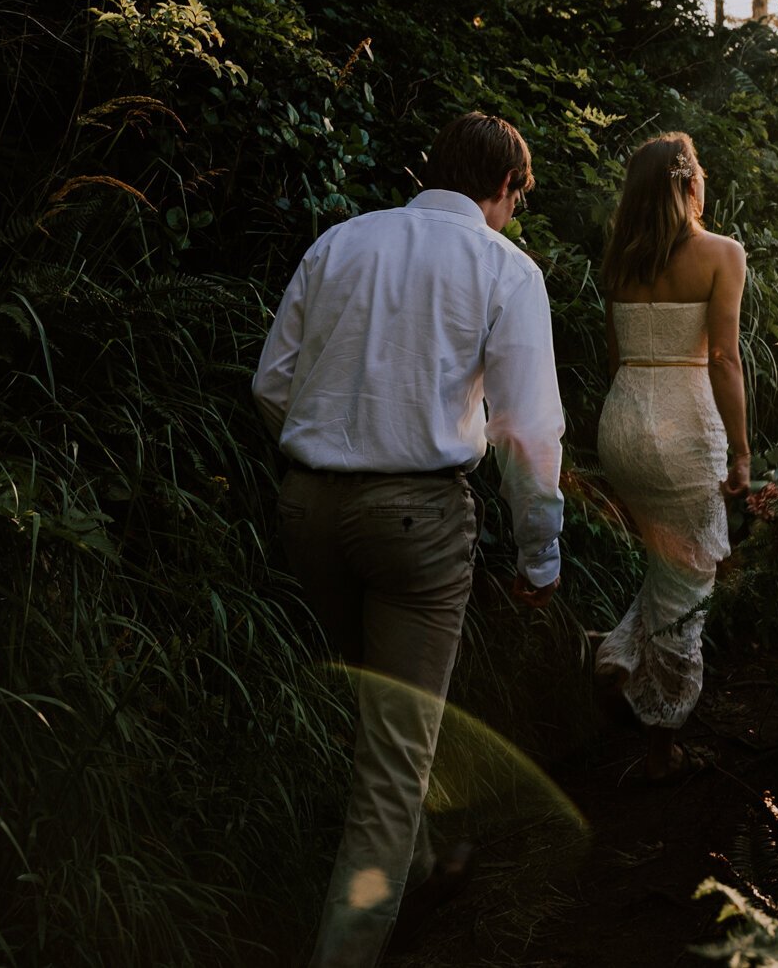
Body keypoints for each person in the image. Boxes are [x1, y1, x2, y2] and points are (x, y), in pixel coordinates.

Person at [252, 112, 565, 968]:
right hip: (417, 523)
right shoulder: (504, 266)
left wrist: (334, 444)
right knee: (393, 760)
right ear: (503, 188)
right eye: (516, 200)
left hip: (308, 508)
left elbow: (272, 381)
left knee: (381, 714)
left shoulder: (341, 242)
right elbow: (529, 434)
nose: (513, 214)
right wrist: (540, 551)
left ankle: (420, 866)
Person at [594, 132, 750, 781]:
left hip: (624, 423)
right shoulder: (721, 253)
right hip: (686, 428)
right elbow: (722, 358)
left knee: (670, 567)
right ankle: (662, 738)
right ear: (691, 184)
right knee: (691, 576)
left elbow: (616, 353)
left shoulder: (620, 258)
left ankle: (616, 655)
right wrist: (741, 453)